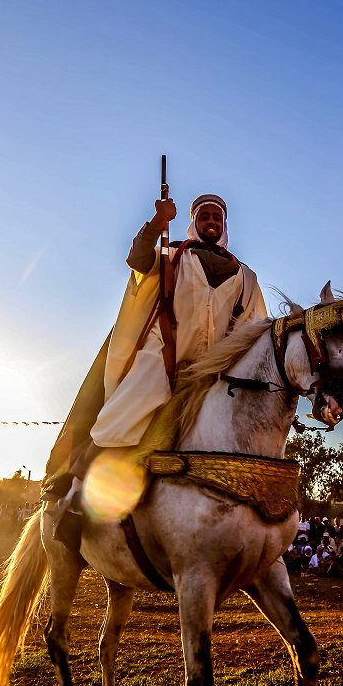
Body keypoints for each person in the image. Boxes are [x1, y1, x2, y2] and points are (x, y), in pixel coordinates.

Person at [48, 193, 267, 549]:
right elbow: (136, 259)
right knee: (119, 419)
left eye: (218, 218)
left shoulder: (246, 277)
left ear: (225, 226)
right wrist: (157, 222)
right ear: (194, 222)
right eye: (205, 217)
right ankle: (76, 498)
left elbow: (255, 329)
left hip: (211, 374)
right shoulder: (173, 255)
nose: (211, 222)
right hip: (161, 356)